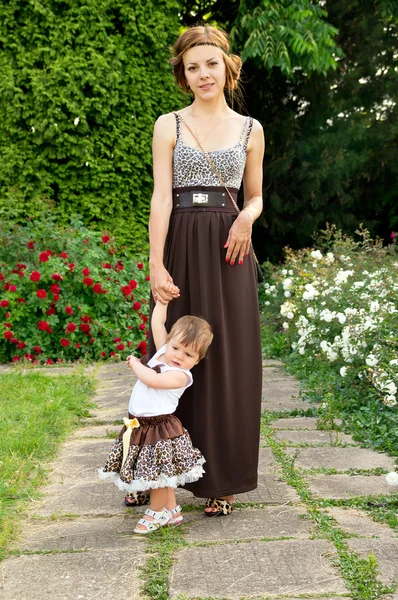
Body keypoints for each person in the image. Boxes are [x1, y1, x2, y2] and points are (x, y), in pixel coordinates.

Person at [127, 24, 264, 516]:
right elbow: (161, 198)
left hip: (230, 250)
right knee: (166, 353)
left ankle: (220, 480)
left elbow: (255, 196)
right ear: (183, 76)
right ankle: (149, 472)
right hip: (181, 242)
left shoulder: (251, 129)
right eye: (192, 67)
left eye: (211, 64)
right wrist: (155, 263)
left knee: (227, 359)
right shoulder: (170, 124)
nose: (203, 74)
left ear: (228, 67)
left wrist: (247, 217)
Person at [98, 293, 213, 534]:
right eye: (176, 347)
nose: (179, 355)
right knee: (162, 474)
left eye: (188, 354)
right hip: (140, 425)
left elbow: (153, 380)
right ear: (169, 343)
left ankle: (156, 511)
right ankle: (171, 511)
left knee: (158, 477)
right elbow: (157, 324)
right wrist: (162, 303)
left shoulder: (181, 376)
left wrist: (137, 364)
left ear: (197, 360)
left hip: (159, 429)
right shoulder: (163, 352)